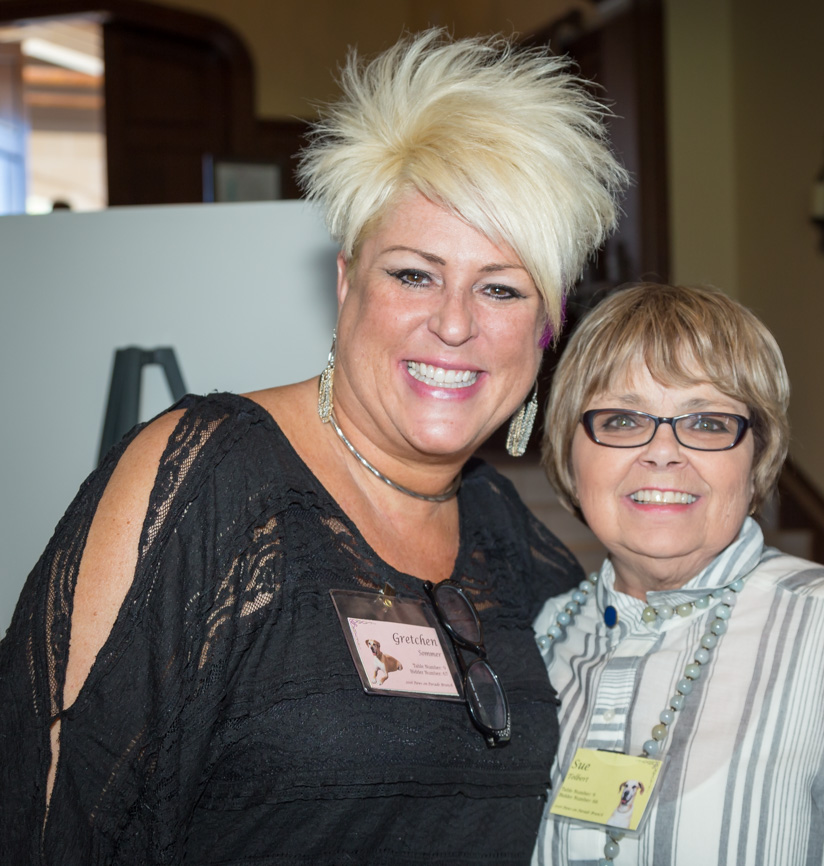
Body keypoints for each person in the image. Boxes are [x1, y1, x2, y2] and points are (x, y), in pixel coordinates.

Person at [0, 30, 627, 864]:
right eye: (414, 274)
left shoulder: (515, 544)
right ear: (345, 282)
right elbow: (46, 810)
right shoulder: (210, 481)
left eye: (502, 288)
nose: (454, 323)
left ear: (547, 327)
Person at [532, 283, 824, 865]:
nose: (663, 451)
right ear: (569, 452)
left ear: (757, 459)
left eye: (706, 422)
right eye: (623, 419)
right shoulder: (539, 634)